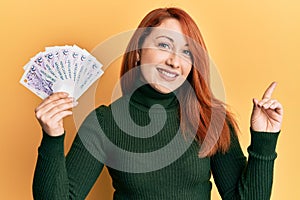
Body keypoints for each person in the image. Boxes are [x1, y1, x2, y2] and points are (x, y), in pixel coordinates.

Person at [32, 7, 283, 200]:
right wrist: (52, 137)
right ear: (139, 51)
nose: (175, 61)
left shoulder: (211, 120)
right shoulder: (104, 123)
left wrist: (264, 139)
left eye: (186, 52)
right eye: (164, 45)